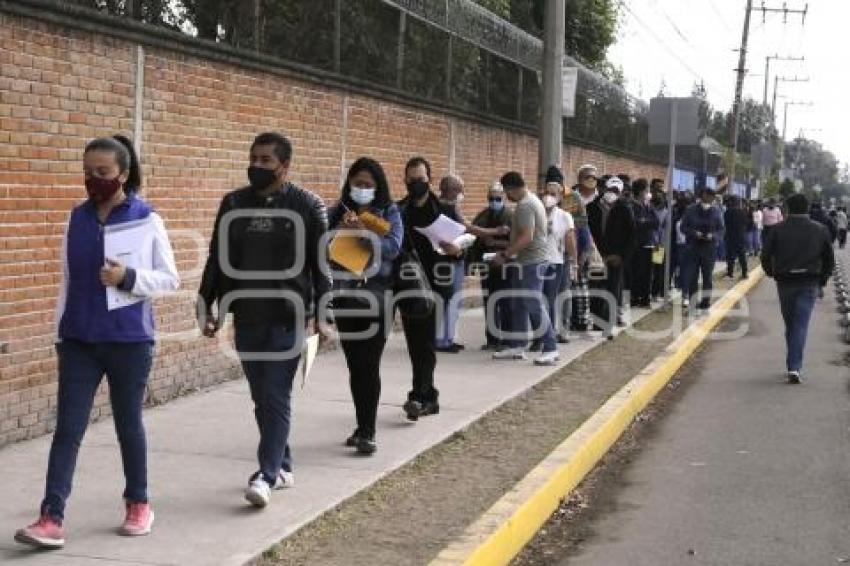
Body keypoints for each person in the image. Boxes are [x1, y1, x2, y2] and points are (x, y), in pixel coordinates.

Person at [15, 136, 180, 549]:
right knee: (67, 429)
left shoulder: (146, 218)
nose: (93, 180)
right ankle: (51, 517)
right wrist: (58, 333)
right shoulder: (77, 218)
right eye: (88, 172)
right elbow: (67, 283)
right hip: (80, 341)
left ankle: (138, 502)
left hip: (129, 342)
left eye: (103, 173)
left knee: (128, 425)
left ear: (122, 174)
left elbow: (170, 278)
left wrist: (128, 278)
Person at [198, 132, 332, 508]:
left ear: (285, 167)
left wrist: (323, 313)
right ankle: (283, 463)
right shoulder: (234, 203)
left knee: (275, 395)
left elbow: (322, 265)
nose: (256, 166)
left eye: (266, 161)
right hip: (248, 316)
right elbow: (217, 257)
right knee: (262, 398)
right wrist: (207, 304)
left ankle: (267, 475)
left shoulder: (308, 205)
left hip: (288, 318)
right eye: (253, 159)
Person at [327, 158, 403, 455]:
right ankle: (361, 427)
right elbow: (321, 244)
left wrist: (364, 233)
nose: (361, 189)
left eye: (368, 185)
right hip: (346, 296)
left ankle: (368, 432)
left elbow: (394, 247)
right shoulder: (339, 210)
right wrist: (338, 231)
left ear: (378, 186)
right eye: (357, 183)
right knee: (355, 364)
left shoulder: (388, 211)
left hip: (377, 298)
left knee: (368, 365)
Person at [397, 156, 457, 420]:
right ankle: (424, 394)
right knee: (414, 342)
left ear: (430, 180)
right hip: (408, 284)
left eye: (420, 179)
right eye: (411, 179)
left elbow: (463, 244)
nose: (416, 184)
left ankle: (422, 396)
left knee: (426, 343)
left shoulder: (444, 209)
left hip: (435, 284)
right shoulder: (399, 210)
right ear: (405, 180)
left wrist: (454, 249)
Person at [760, 193, 834, 383]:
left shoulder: (777, 230)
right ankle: (794, 367)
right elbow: (829, 259)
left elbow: (765, 255)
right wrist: (822, 280)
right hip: (809, 282)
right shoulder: (821, 229)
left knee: (791, 324)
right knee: (799, 325)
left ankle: (793, 365)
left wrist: (771, 272)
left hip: (785, 282)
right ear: (807, 208)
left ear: (788, 209)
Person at [491, 171, 559, 365]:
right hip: (527, 260)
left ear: (511, 189)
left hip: (532, 261)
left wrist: (505, 255)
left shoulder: (526, 205)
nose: (506, 196)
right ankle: (518, 345)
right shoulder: (532, 201)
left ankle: (551, 347)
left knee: (533, 304)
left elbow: (527, 236)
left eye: (505, 192)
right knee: (519, 304)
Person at [586, 176, 636, 328]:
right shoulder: (591, 208)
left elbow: (632, 237)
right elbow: (586, 232)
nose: (612, 193)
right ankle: (596, 320)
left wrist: (621, 257)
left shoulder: (625, 209)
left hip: (616, 258)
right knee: (595, 287)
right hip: (596, 256)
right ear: (603, 189)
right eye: (610, 190)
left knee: (613, 288)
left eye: (616, 191)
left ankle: (609, 319)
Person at [470, 182, 513, 350]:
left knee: (505, 302)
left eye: (497, 198)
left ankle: (507, 339)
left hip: (505, 264)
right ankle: (492, 339)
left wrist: (495, 242)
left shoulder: (510, 216)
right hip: (487, 265)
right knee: (489, 302)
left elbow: (517, 240)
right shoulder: (483, 215)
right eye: (491, 198)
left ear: (503, 197)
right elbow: (473, 236)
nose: (494, 201)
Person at [539, 175, 577, 344]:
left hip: (554, 262)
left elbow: (570, 240)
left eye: (553, 194)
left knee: (549, 299)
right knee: (537, 298)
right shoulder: (536, 211)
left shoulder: (564, 216)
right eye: (546, 193)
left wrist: (574, 261)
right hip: (535, 260)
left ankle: (549, 334)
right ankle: (539, 333)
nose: (549, 196)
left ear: (560, 197)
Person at [680, 186, 724, 310]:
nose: (710, 198)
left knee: (707, 277)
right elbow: (683, 227)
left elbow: (721, 230)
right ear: (702, 195)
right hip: (693, 247)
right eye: (708, 195)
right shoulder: (690, 210)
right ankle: (693, 300)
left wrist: (713, 236)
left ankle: (705, 302)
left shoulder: (716, 211)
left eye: (712, 196)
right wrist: (694, 233)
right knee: (693, 276)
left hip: (709, 248)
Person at [571, 164, 599, 331]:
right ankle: (576, 319)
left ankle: (586, 319)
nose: (590, 180)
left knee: (587, 288)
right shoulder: (570, 198)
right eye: (587, 177)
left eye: (593, 177)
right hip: (578, 247)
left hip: (591, 251)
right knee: (575, 288)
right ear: (579, 179)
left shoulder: (600, 198)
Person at [629, 178, 659, 307]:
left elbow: (656, 222)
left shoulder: (648, 206)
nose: (649, 192)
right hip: (637, 244)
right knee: (637, 272)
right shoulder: (632, 206)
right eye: (647, 190)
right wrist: (645, 222)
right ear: (641, 191)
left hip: (651, 243)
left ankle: (646, 299)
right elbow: (634, 223)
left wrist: (644, 221)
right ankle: (635, 298)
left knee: (649, 273)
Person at [650, 188, 669, 301]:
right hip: (657, 245)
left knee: (655, 270)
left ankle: (655, 293)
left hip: (653, 245)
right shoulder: (665, 212)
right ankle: (655, 293)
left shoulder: (649, 210)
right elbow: (664, 231)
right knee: (657, 270)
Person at [723, 195, 749, 280]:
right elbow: (746, 224)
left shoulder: (727, 212)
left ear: (731, 202)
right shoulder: (743, 212)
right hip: (741, 237)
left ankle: (730, 274)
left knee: (730, 257)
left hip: (731, 237)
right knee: (742, 256)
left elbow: (726, 225)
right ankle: (745, 273)